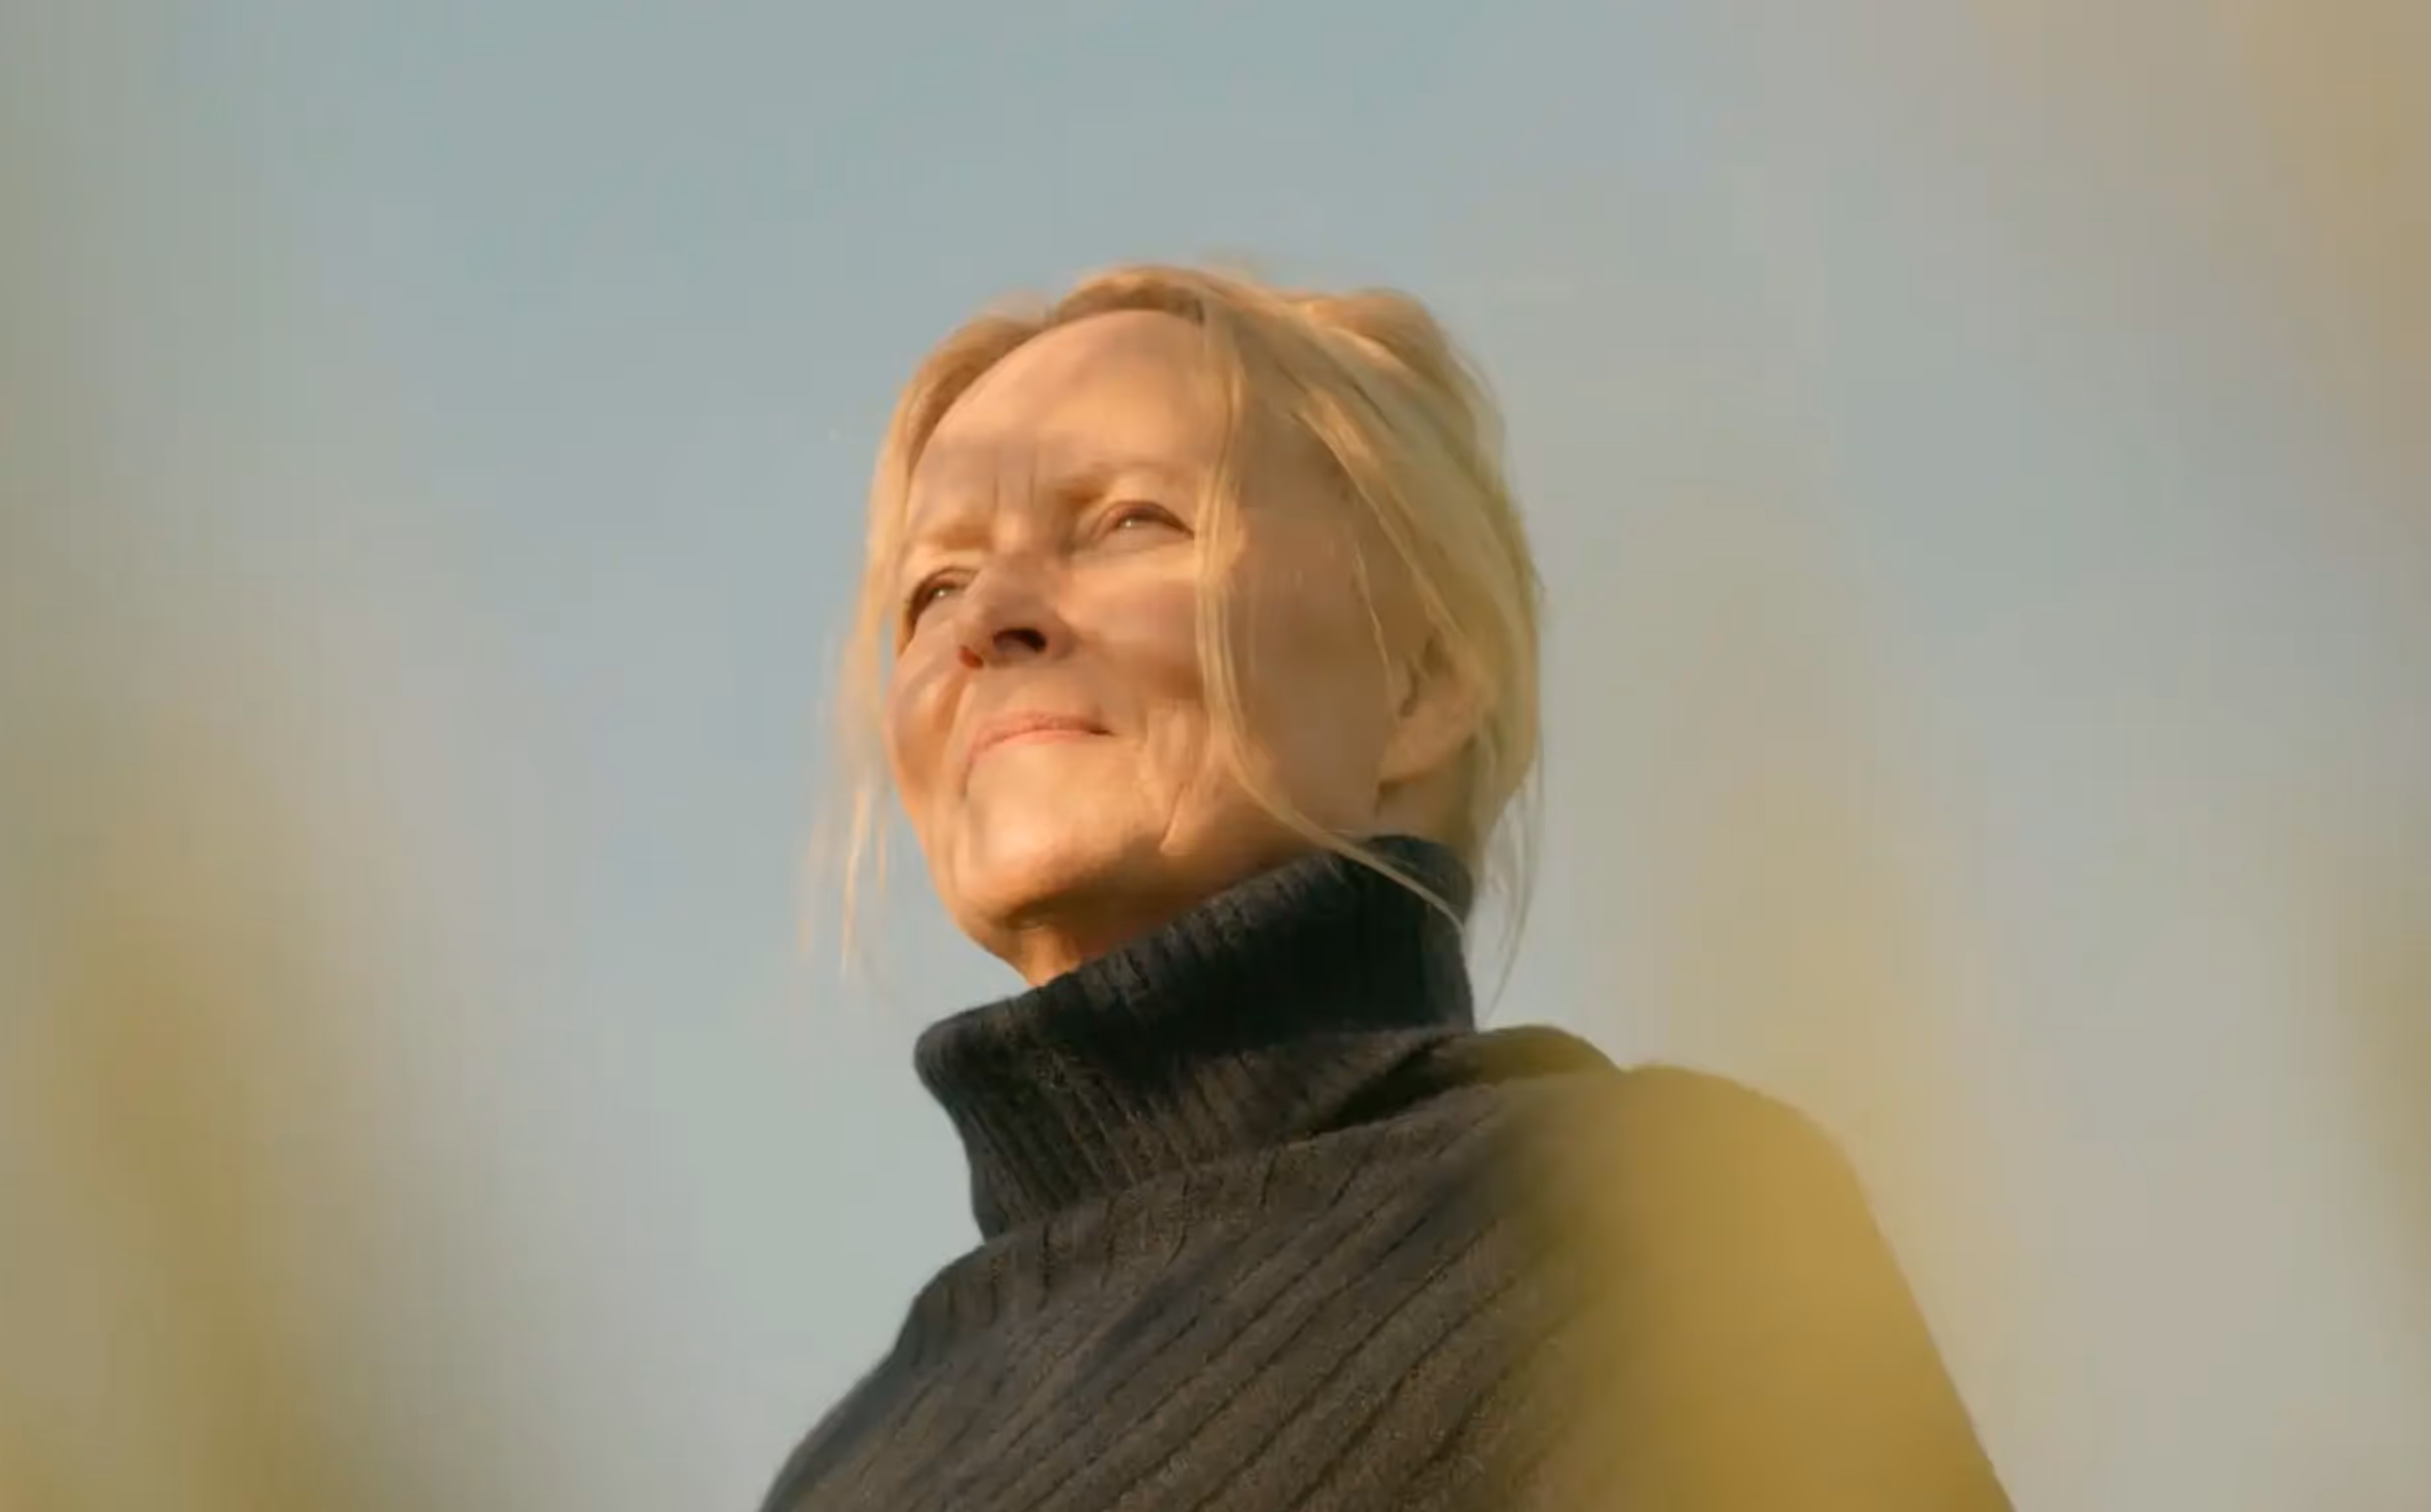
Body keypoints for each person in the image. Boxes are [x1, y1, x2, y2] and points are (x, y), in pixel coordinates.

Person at [762, 265, 2010, 1511]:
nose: (984, 619)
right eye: (932, 587)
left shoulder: (1653, 1218)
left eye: (1128, 521)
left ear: (1421, 680)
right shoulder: (843, 1469)